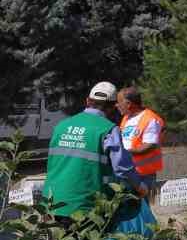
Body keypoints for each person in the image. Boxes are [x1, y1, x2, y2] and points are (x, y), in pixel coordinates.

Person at [39, 81, 152, 223]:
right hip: (86, 206)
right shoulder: (108, 129)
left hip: (53, 201)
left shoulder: (61, 126)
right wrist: (140, 187)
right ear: (112, 107)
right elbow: (122, 169)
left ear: (87, 101)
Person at [116, 86, 165, 180]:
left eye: (119, 102)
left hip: (143, 174)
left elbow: (149, 145)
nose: (117, 105)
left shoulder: (150, 119)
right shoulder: (126, 118)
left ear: (128, 104)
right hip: (127, 171)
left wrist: (124, 153)